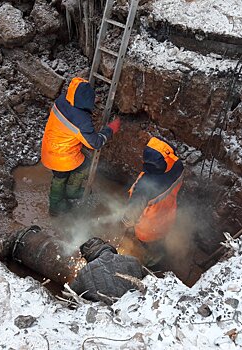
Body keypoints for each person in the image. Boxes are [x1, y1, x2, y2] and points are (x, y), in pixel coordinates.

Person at [41, 77, 121, 216]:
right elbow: (95, 143)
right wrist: (110, 129)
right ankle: (70, 194)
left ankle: (56, 205)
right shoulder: (81, 119)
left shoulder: (62, 100)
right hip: (62, 157)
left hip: (49, 149)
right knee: (85, 165)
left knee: (59, 177)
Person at [121, 137, 184, 266]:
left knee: (149, 241)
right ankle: (158, 252)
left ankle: (155, 258)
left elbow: (132, 214)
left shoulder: (145, 186)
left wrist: (126, 223)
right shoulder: (177, 165)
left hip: (148, 226)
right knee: (160, 237)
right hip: (168, 214)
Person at [70, 237, 146, 304]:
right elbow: (151, 283)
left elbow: (70, 296)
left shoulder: (84, 273)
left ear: (87, 255)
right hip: (138, 312)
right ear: (105, 246)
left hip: (106, 318)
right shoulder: (133, 261)